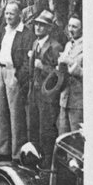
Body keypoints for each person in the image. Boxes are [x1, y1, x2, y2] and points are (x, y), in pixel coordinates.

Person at [0, 1, 32, 163]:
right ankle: (3, 151)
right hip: (1, 71)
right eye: (6, 13)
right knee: (1, 112)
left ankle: (17, 154)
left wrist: (19, 77)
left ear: (20, 14)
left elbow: (28, 59)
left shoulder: (26, 33)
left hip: (14, 73)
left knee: (16, 115)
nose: (8, 17)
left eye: (12, 13)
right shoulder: (4, 30)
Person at [25, 11, 62, 168]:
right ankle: (34, 161)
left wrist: (43, 67)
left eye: (42, 25)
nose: (38, 28)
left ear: (49, 28)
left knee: (46, 130)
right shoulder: (35, 43)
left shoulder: (55, 46)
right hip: (34, 92)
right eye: (37, 24)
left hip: (47, 96)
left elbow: (59, 74)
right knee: (33, 127)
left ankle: (47, 165)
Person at [55, 15, 83, 133]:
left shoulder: (87, 46)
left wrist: (70, 62)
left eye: (75, 27)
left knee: (76, 137)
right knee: (63, 135)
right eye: (69, 26)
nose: (71, 29)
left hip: (77, 100)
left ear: (82, 29)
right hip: (64, 97)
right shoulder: (68, 45)